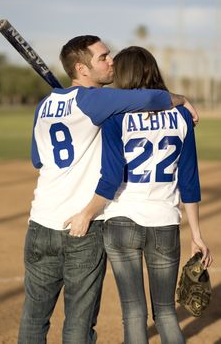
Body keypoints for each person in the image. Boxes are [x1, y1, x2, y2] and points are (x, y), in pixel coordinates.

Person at [17, 35, 198, 344]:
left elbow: (38, 159)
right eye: (103, 57)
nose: (110, 60)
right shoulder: (96, 101)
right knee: (79, 324)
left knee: (34, 319)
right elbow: (153, 99)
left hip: (40, 224)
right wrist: (180, 98)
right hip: (82, 227)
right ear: (81, 68)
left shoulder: (45, 105)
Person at [66, 46, 213, 344]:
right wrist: (196, 234)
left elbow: (111, 171)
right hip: (165, 222)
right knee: (167, 313)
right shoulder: (182, 116)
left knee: (133, 312)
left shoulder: (115, 117)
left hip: (122, 219)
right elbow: (189, 180)